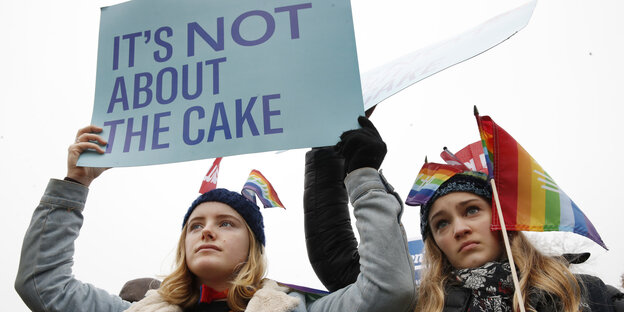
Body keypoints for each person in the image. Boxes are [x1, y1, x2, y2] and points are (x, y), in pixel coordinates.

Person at [15, 123, 416, 312]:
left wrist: (362, 178)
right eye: (195, 225)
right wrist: (74, 184)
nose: (206, 230)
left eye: (226, 223)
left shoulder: (297, 309)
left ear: (253, 248)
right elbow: (42, 284)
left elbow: (389, 291)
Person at [303, 135, 622, 311]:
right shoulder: (425, 306)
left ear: (500, 220)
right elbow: (341, 266)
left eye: (471, 210)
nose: (459, 228)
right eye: (441, 224)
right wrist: (335, 158)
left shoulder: (586, 295)